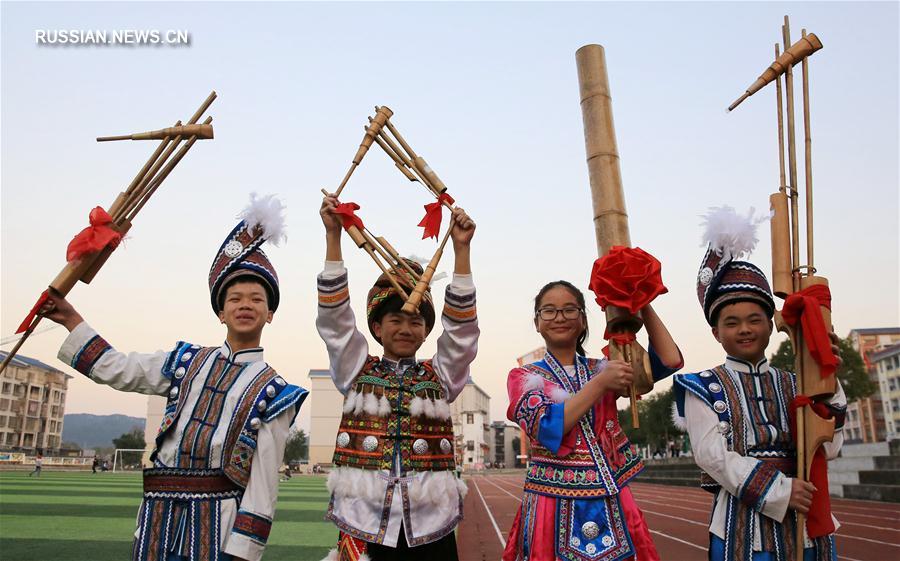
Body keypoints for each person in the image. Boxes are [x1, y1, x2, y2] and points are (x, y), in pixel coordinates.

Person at [39, 195, 307, 561]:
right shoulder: (185, 362)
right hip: (158, 519)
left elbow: (263, 486)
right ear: (221, 313)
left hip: (221, 526)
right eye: (235, 298)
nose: (245, 305)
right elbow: (118, 368)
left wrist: (242, 552)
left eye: (257, 299)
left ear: (270, 313)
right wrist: (71, 319)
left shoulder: (277, 393)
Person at [672, 206, 846, 561]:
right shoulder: (702, 386)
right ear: (715, 332)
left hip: (806, 515)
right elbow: (712, 457)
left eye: (755, 319)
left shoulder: (797, 381)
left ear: (771, 324)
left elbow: (829, 445)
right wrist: (780, 490)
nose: (745, 329)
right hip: (741, 521)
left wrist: (827, 372)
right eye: (732, 323)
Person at [317, 194, 478, 561]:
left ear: (425, 332)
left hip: (430, 526)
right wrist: (333, 239)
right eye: (396, 319)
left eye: (416, 321)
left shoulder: (439, 377)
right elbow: (335, 323)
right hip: (364, 520)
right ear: (376, 326)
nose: (406, 328)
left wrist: (461, 252)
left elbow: (461, 336)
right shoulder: (356, 369)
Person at [503, 280, 682, 561]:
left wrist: (640, 300)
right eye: (548, 311)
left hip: (612, 494)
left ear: (584, 320)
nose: (559, 317)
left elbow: (668, 361)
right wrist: (601, 384)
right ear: (537, 322)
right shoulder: (523, 377)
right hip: (552, 499)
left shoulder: (604, 366)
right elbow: (548, 428)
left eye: (569, 310)